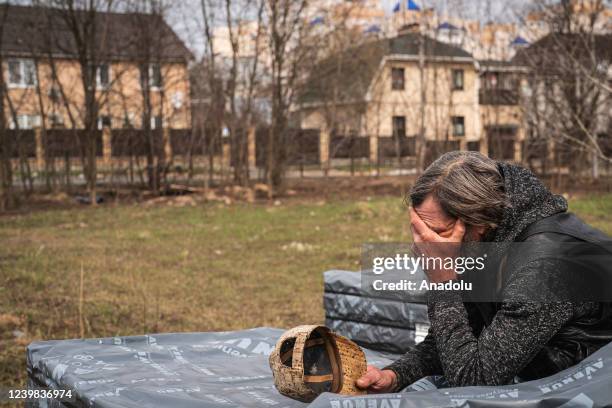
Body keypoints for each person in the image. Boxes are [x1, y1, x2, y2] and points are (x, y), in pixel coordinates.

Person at [356, 151, 612, 393]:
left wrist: (443, 282)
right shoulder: (485, 242)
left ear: (476, 221)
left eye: (437, 232)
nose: (424, 246)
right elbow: (453, 339)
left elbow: (474, 380)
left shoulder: (545, 266)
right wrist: (395, 376)